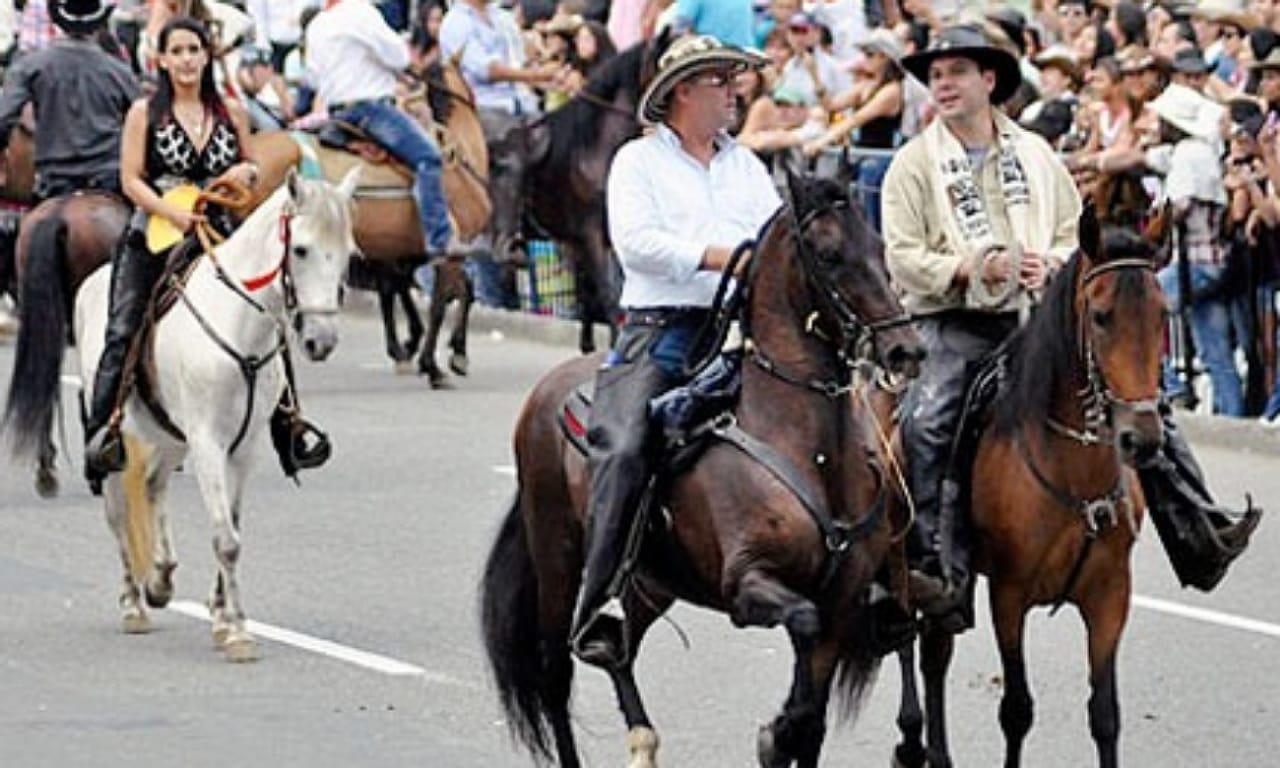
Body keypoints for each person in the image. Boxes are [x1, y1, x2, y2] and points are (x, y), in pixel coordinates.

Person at [881, 24, 1260, 628]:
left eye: (955, 72)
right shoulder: (912, 164)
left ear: (989, 80)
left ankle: (1197, 526)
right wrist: (973, 266)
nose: (942, 84)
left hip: (1036, 317)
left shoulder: (1034, 154)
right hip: (954, 321)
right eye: (935, 74)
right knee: (928, 419)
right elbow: (903, 257)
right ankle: (934, 565)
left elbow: (1071, 232)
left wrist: (1054, 263)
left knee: (1139, 399)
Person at [569, 34, 781, 668]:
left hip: (744, 324)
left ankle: (874, 571)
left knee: (838, 408)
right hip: (664, 329)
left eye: (733, 79)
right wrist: (722, 256)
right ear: (682, 91)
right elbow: (635, 244)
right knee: (625, 443)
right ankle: (601, 598)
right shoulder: (638, 162)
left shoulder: (745, 165)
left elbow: (775, 234)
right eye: (720, 80)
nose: (735, 90)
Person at [83, 16, 329, 486]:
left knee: (269, 313)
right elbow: (130, 179)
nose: (186, 60)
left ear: (207, 54)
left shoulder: (232, 112)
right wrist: (170, 212)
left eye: (193, 50)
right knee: (123, 323)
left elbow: (252, 162)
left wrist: (245, 174)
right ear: (161, 60)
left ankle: (291, 426)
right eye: (176, 51)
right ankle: (104, 431)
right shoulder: (144, 114)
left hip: (219, 225)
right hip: (157, 227)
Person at [305, 0, 452, 258]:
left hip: (337, 112)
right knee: (428, 158)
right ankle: (440, 243)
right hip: (371, 109)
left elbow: (313, 77)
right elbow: (399, 56)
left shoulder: (317, 24)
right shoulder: (361, 12)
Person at [0, 0, 139, 201]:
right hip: (108, 177)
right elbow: (145, 122)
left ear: (58, 21)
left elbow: (3, 118)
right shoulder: (119, 72)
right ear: (99, 23)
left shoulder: (29, 67)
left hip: (52, 179)